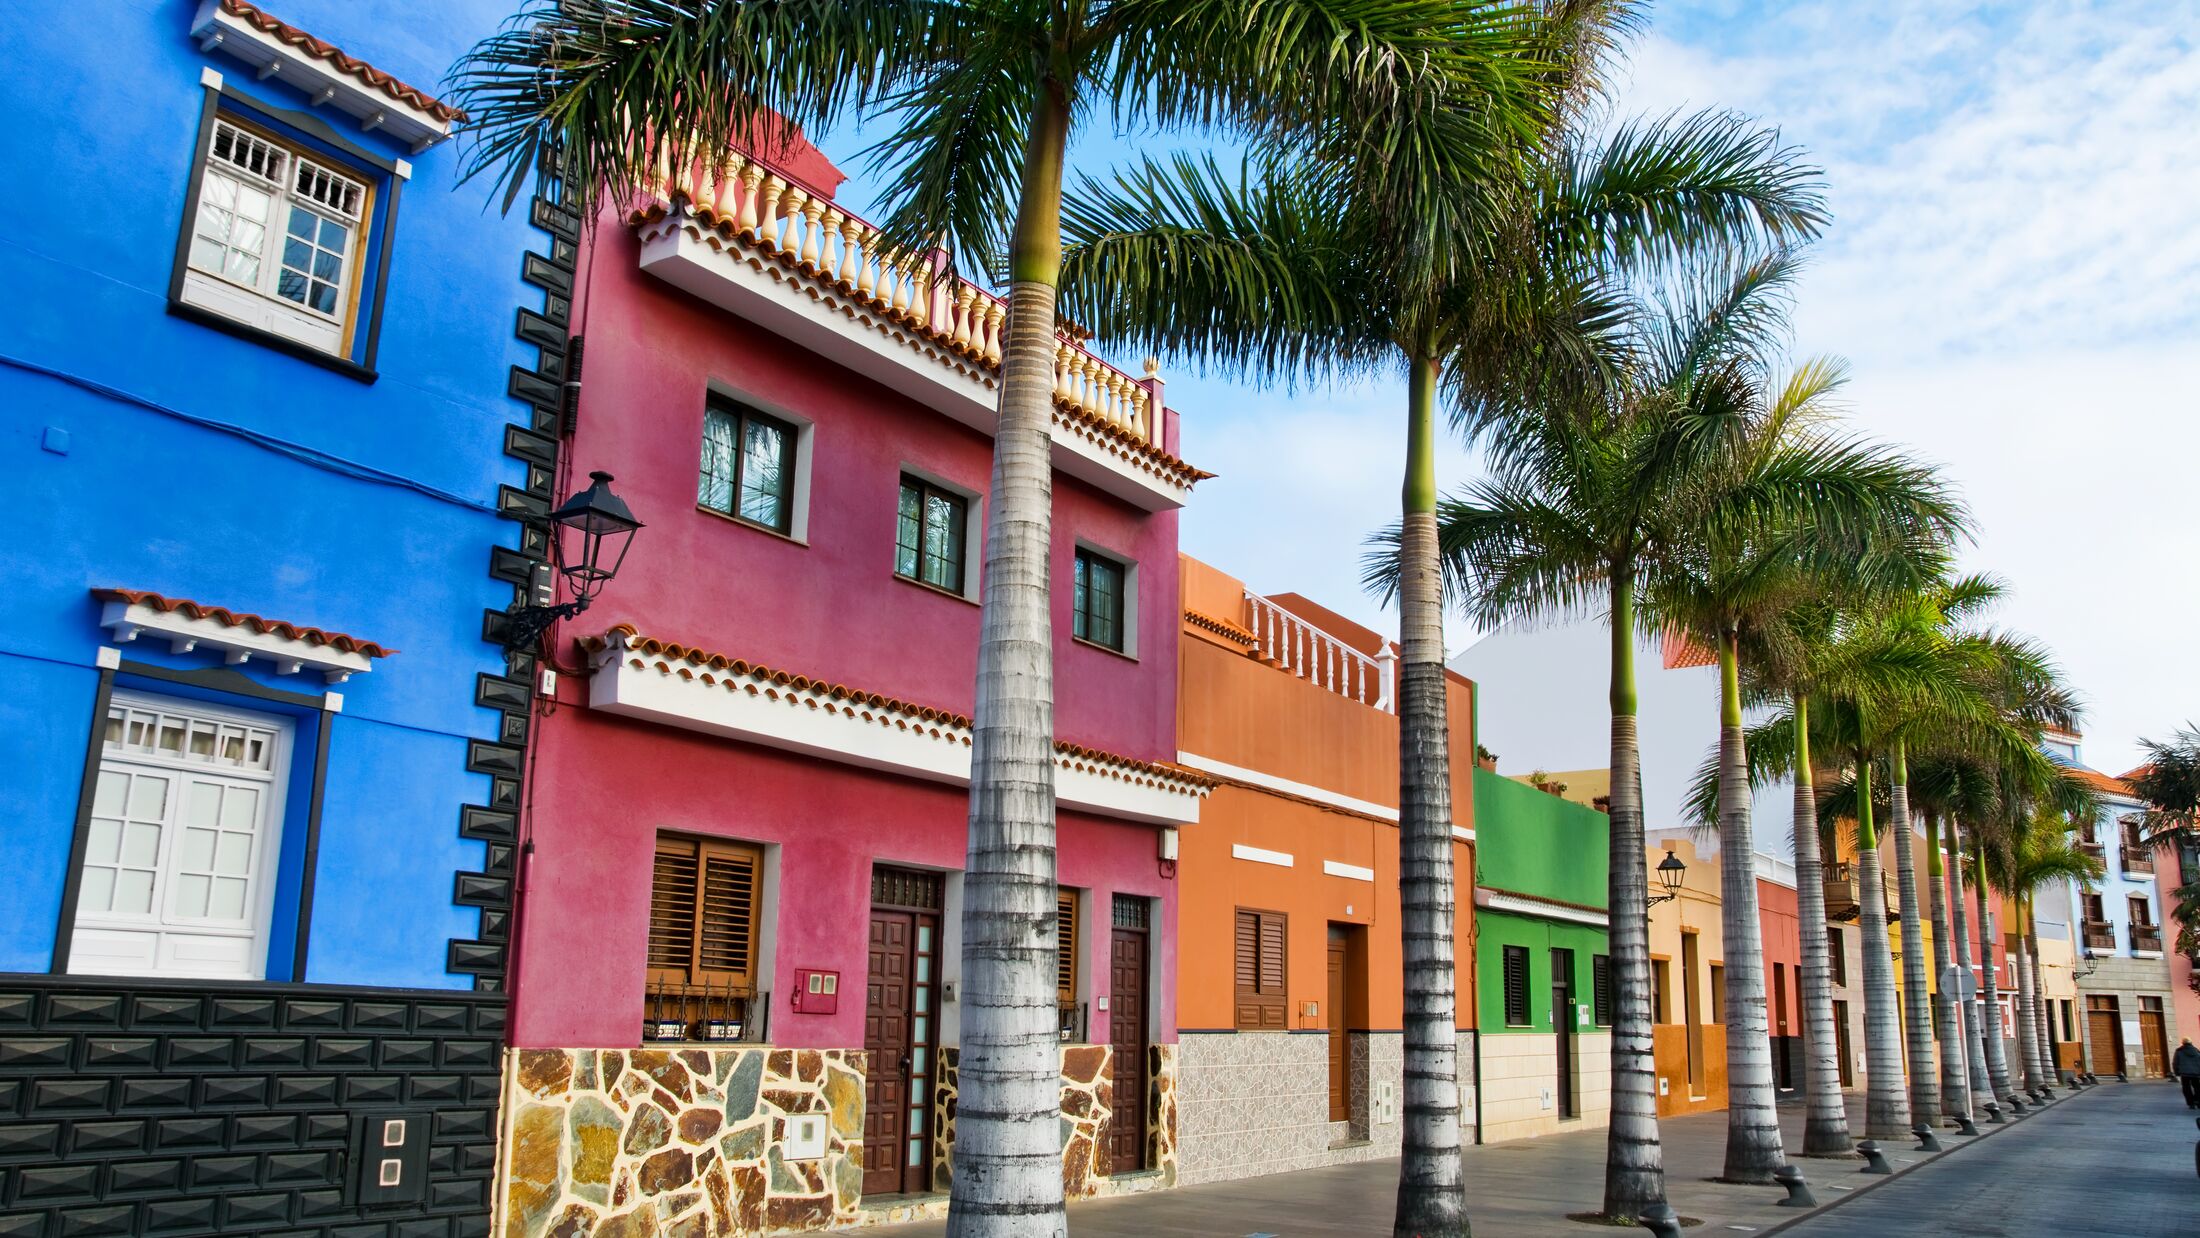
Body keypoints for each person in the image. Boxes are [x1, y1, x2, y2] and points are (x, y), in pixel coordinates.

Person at [2175, 1037, 2200, 1109]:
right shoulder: (2196, 1050)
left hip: (2184, 1073)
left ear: (2183, 1043)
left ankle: (2191, 1103)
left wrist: (2177, 1072)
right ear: (2191, 1042)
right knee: (2197, 1087)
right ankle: (2198, 1101)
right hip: (2196, 1073)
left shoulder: (2179, 1051)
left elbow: (2175, 1062)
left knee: (2186, 1089)